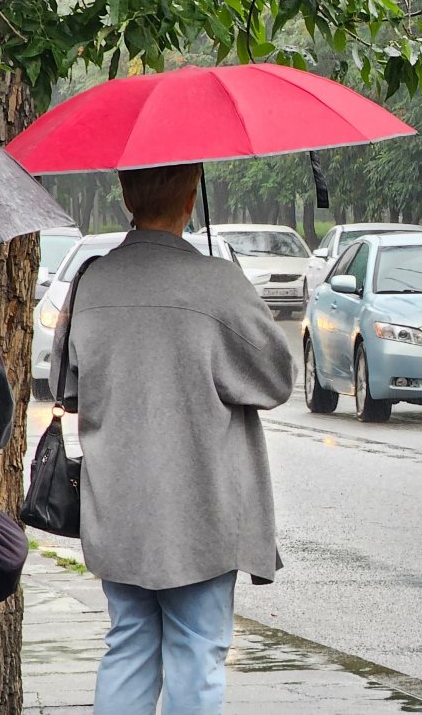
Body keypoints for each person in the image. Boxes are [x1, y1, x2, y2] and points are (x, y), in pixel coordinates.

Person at [53, 163, 293, 715]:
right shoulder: (216, 282)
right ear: (191, 200)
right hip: (201, 509)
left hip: (117, 506)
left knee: (129, 646)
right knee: (196, 655)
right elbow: (276, 378)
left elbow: (71, 384)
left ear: (125, 195)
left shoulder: (93, 281)